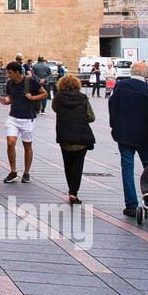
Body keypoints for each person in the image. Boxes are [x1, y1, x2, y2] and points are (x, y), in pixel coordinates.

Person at [108, 60, 148, 217]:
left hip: (123, 135)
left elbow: (112, 107)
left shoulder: (120, 87)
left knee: (127, 169)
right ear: (145, 74)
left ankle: (131, 205)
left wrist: (115, 126)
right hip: (145, 138)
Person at [0, 61, 47, 184]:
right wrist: (5, 100)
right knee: (10, 143)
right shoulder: (10, 83)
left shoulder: (30, 81)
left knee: (27, 146)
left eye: (9, 73)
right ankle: (13, 171)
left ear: (17, 72)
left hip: (27, 118)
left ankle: (26, 173)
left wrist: (33, 98)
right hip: (13, 117)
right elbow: (11, 98)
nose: (8, 75)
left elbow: (44, 93)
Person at [52, 73, 95, 205]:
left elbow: (55, 109)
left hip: (64, 137)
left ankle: (71, 189)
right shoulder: (83, 98)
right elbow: (91, 117)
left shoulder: (58, 99)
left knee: (68, 165)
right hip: (81, 137)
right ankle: (73, 192)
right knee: (78, 166)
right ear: (77, 85)